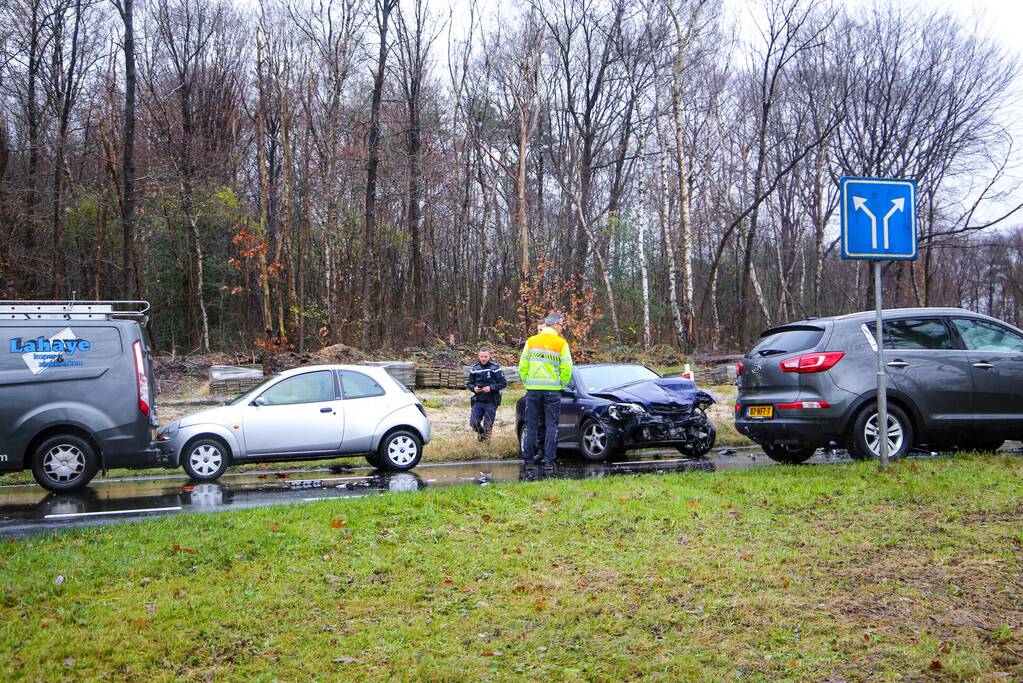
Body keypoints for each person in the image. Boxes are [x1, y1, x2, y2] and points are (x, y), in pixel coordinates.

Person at [518, 312, 573, 469]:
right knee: (551, 426)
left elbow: (523, 366)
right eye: (562, 325)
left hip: (533, 390)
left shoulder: (532, 341)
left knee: (531, 426)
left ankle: (528, 462)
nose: (562, 328)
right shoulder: (560, 344)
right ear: (555, 324)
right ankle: (549, 462)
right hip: (552, 390)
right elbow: (567, 368)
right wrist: (561, 385)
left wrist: (527, 383)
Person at [467, 348, 507, 443]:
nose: (483, 359)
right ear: (479, 356)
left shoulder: (495, 368)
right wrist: (474, 388)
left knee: (488, 425)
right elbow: (469, 384)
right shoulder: (475, 368)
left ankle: (486, 445)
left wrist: (491, 388)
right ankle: (482, 434)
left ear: (489, 356)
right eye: (482, 356)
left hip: (491, 401)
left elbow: (503, 383)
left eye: (485, 356)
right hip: (478, 400)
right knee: (473, 423)